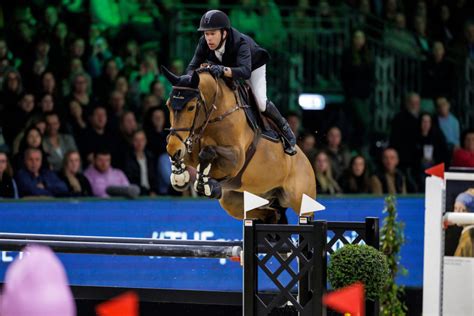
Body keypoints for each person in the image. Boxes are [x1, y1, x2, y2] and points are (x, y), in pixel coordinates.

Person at [186, 10, 296, 155]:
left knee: (261, 102)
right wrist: (188, 82)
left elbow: (245, 72)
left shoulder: (240, 42)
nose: (209, 38)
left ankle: (285, 129)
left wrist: (223, 69)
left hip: (253, 66)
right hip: (227, 65)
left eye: (212, 34)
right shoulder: (203, 43)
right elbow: (192, 67)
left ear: (224, 33)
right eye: (206, 34)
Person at [123, 130, 158, 196]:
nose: (139, 143)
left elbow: (154, 177)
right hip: (136, 194)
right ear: (132, 141)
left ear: (146, 141)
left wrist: (153, 190)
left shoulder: (150, 157)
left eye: (142, 140)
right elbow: (129, 180)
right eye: (136, 140)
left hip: (151, 193)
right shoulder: (128, 159)